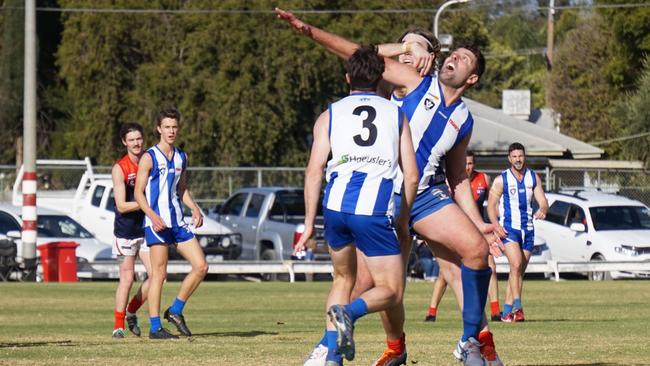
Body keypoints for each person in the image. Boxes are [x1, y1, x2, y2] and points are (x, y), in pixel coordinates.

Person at [276, 9, 504, 366]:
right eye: (452, 53)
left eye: (463, 58)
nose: (454, 58)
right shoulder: (415, 82)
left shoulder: (464, 119)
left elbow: (458, 177)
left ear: (471, 77)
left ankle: (469, 341)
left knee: (476, 250)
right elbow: (357, 54)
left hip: (424, 196)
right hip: (385, 193)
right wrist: (310, 32)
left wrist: (478, 221)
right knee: (369, 284)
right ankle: (362, 348)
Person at [293, 45, 419, 366]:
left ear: (347, 77)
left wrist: (309, 224)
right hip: (372, 210)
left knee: (342, 279)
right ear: (381, 79)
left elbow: (313, 170)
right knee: (391, 290)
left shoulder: (329, 114)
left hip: (335, 207)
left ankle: (329, 354)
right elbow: (412, 176)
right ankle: (348, 313)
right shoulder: (396, 114)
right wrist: (403, 219)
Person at [134, 108, 209, 339]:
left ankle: (175, 310)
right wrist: (152, 215)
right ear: (159, 129)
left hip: (177, 222)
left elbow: (181, 189)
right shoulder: (149, 157)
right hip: (156, 224)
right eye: (167, 127)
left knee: (201, 266)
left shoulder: (181, 157)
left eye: (174, 127)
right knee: (159, 274)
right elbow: (138, 193)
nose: (171, 131)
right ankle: (155, 327)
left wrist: (194, 207)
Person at [425, 151, 502, 322]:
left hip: (479, 230)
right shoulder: (448, 181)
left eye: (470, 163)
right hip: (457, 230)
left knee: (491, 268)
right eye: (465, 163)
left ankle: (495, 311)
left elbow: (491, 203)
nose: (467, 167)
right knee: (445, 274)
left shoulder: (484, 178)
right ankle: (431, 312)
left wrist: (495, 220)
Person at [487, 142, 549, 323]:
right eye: (514, 156)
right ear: (509, 158)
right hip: (509, 229)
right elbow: (491, 206)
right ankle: (518, 307)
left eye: (520, 156)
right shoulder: (501, 179)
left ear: (524, 157)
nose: (518, 159)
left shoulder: (533, 177)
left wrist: (543, 209)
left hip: (528, 230)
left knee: (518, 271)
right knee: (515, 265)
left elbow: (543, 201)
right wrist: (495, 225)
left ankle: (507, 312)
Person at [111, 122, 153, 338]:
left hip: (147, 228)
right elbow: (121, 205)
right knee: (127, 279)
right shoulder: (120, 168)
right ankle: (118, 325)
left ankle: (132, 310)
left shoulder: (150, 160)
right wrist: (146, 204)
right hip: (126, 230)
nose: (137, 143)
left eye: (139, 139)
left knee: (157, 276)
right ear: (124, 142)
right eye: (132, 140)